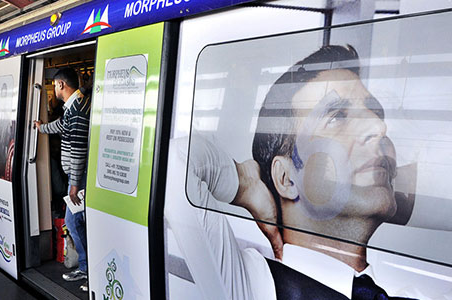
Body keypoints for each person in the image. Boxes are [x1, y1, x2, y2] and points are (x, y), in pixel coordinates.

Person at [168, 45, 451, 299]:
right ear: (286, 178)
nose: (379, 127)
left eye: (375, 113)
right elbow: (173, 162)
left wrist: (383, 179)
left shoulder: (419, 295)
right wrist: (245, 183)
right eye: (338, 116)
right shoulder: (254, 286)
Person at [33, 68, 91, 292]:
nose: (54, 89)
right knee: (78, 222)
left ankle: (87, 269)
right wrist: (42, 128)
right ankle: (86, 267)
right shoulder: (76, 106)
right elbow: (62, 127)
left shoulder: (76, 111)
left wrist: (75, 183)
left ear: (61, 85)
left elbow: (77, 149)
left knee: (74, 222)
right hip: (78, 177)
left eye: (55, 85)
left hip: (79, 178)